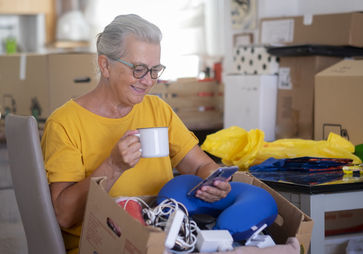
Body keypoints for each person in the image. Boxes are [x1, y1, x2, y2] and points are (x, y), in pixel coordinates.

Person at [40, 14, 231, 254]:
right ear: (105, 65)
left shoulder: (157, 109)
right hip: (99, 245)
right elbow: (64, 215)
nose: (148, 81)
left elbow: (200, 166)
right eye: (139, 69)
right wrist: (113, 166)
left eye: (155, 70)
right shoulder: (65, 123)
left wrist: (215, 181)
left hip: (161, 241)